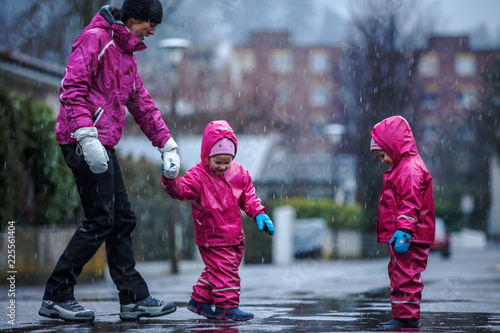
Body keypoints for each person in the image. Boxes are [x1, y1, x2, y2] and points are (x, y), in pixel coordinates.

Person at [39, 0, 180, 322]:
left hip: (103, 143)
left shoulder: (125, 53)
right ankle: (56, 295)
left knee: (121, 218)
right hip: (81, 141)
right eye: (151, 23)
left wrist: (166, 143)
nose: (153, 31)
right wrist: (86, 136)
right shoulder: (96, 39)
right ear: (134, 18)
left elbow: (141, 102)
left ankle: (134, 299)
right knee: (102, 219)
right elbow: (72, 89)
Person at [160, 120, 275, 321]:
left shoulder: (239, 173)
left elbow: (248, 196)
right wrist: (170, 179)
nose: (223, 167)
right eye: (218, 162)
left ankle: (200, 300)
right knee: (226, 271)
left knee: (219, 269)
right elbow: (180, 191)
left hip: (233, 234)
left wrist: (259, 213)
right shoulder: (198, 176)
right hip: (211, 235)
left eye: (227, 161)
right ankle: (227, 307)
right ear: (207, 155)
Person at [370, 115, 436, 329]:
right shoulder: (405, 168)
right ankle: (404, 315)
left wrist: (405, 230)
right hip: (407, 234)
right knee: (401, 272)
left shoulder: (408, 170)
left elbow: (410, 203)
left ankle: (405, 318)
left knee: (405, 273)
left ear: (393, 146)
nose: (383, 161)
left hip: (410, 235)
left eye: (382, 155)